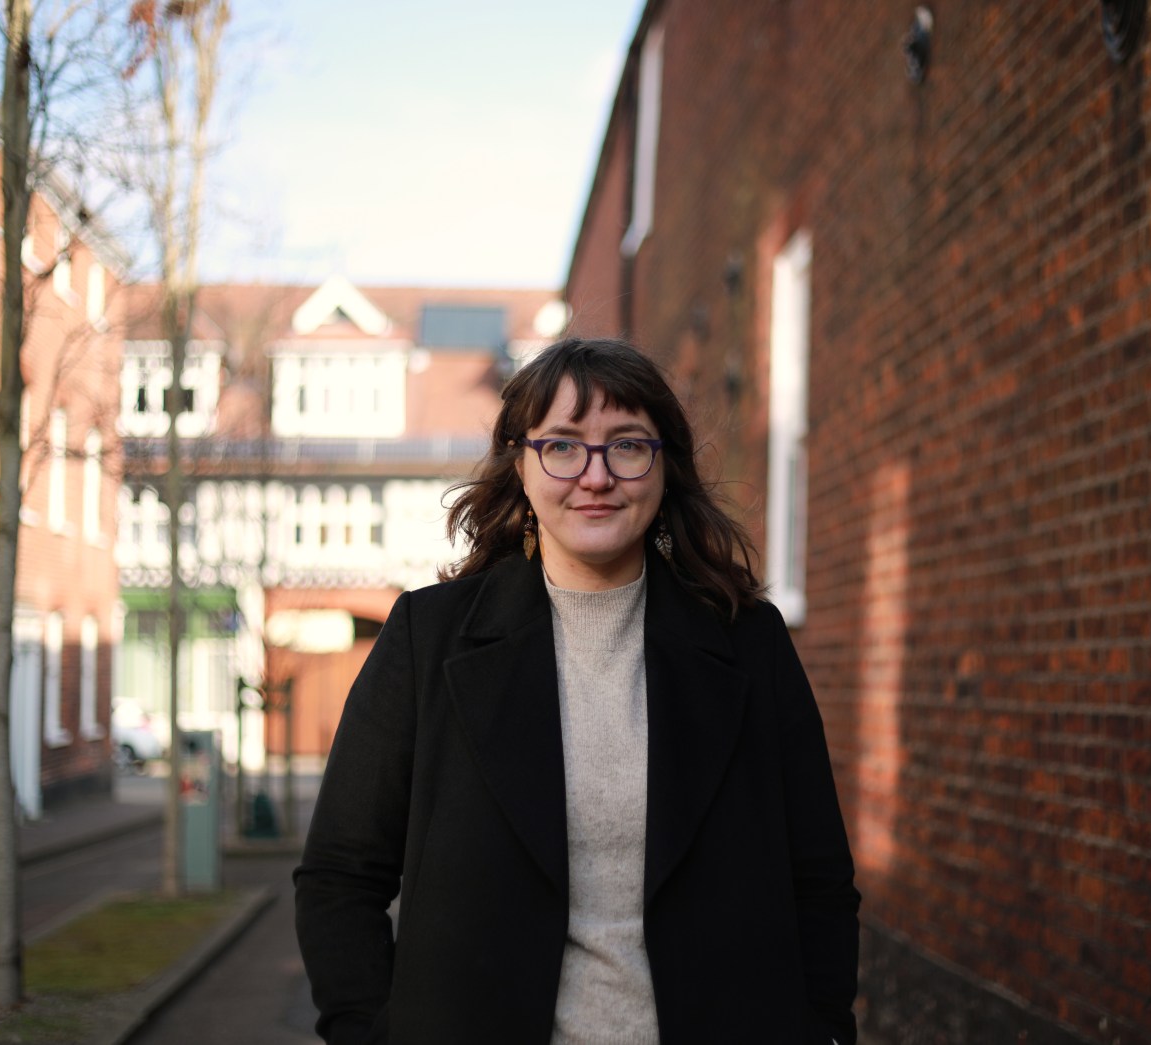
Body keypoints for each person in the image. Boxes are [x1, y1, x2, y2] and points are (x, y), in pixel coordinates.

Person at [294, 337, 859, 1044]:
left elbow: (819, 880)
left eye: (627, 445)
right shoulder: (427, 638)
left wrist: (824, 1030)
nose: (596, 476)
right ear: (521, 466)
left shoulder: (750, 644)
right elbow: (340, 876)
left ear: (663, 467)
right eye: (562, 446)